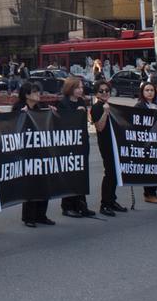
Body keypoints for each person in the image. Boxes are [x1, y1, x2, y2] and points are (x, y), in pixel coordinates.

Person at [12, 83, 59, 223]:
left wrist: (52, 112)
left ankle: (41, 215)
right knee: (30, 185)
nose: (38, 94)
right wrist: (21, 115)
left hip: (41, 152)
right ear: (26, 95)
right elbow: (12, 127)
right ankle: (29, 216)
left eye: (39, 92)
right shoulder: (19, 108)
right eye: (35, 92)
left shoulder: (40, 108)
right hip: (26, 153)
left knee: (44, 184)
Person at [56, 77, 96, 218]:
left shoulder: (81, 101)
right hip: (68, 145)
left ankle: (81, 205)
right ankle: (67, 206)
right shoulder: (62, 103)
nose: (80, 90)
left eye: (81, 87)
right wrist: (75, 113)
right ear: (70, 88)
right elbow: (61, 123)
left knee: (81, 174)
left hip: (81, 141)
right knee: (70, 175)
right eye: (77, 87)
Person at [89, 82, 124, 215]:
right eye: (101, 91)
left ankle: (112, 200)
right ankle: (105, 204)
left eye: (107, 90)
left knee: (115, 173)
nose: (104, 93)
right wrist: (105, 113)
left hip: (115, 143)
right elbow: (99, 127)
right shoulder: (97, 107)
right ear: (96, 93)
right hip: (106, 144)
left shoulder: (110, 106)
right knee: (109, 173)